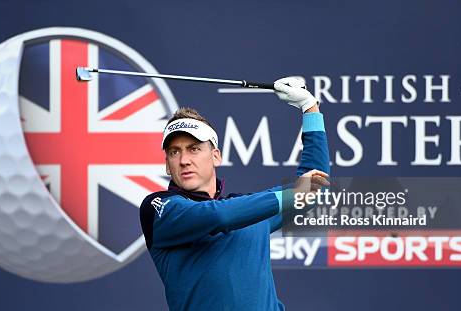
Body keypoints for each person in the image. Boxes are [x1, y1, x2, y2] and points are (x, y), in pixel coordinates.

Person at [139, 77, 330, 311]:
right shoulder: (160, 209)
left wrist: (310, 108)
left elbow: (314, 184)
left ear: (216, 156)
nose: (184, 160)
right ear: (167, 165)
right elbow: (217, 216)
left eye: (194, 149)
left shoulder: (251, 212)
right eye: (174, 152)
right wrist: (292, 194)